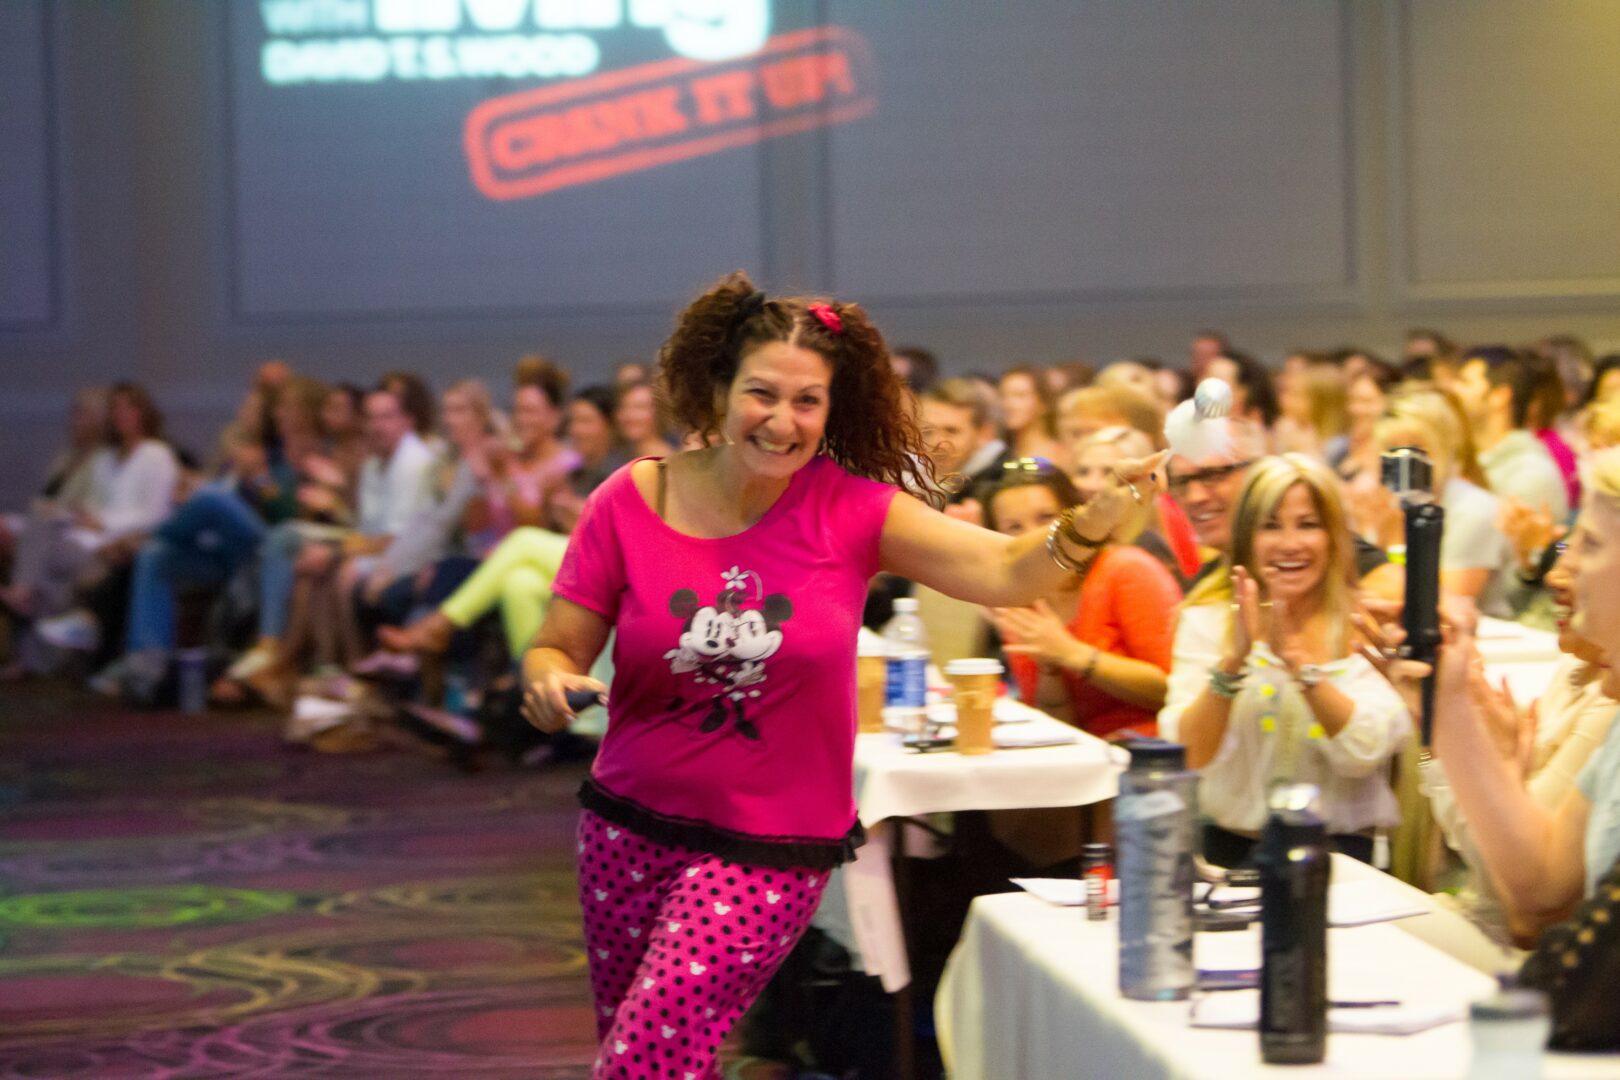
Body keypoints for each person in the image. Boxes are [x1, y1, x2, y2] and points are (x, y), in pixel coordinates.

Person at [519, 271, 1160, 1077]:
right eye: (762, 393)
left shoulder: (851, 509)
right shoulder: (631, 499)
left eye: (807, 402)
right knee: (655, 1053)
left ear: (832, 410)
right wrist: (547, 681)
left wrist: (1091, 524)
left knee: (642, 1060)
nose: (782, 420)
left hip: (768, 846)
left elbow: (1005, 570)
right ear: (717, 389)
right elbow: (557, 646)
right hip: (625, 827)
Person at [1159, 454, 1411, 866]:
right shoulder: (1207, 619)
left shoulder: (1365, 623)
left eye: (1308, 525)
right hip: (1229, 855)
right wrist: (1233, 663)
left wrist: (1300, 669)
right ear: (1246, 538)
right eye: (1271, 526)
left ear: (1334, 537)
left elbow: (1363, 754)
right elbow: (1188, 755)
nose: (1290, 544)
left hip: (1343, 860)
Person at [984, 458, 1179, 739]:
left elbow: (1177, 691)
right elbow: (1054, 726)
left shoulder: (1126, 569)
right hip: (1080, 750)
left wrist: (1069, 653)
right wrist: (1050, 669)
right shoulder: (1021, 597)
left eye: (1045, 518)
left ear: (1076, 517)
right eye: (1014, 527)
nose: (1034, 536)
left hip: (1151, 748)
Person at [1356, 384, 1515, 613]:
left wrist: (1393, 542)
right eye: (1392, 450)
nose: (1405, 462)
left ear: (1445, 444)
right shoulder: (1387, 504)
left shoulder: (1475, 511)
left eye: (1416, 449)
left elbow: (1441, 607)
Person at [1450, 346, 1570, 521]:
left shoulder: (1531, 474)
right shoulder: (1463, 458)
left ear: (1500, 396)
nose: (1452, 389)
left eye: (1465, 382)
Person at [997, 365, 1064, 463]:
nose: (1008, 404)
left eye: (1020, 396)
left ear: (1044, 403)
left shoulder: (1059, 455)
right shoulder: (1001, 454)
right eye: (1002, 395)